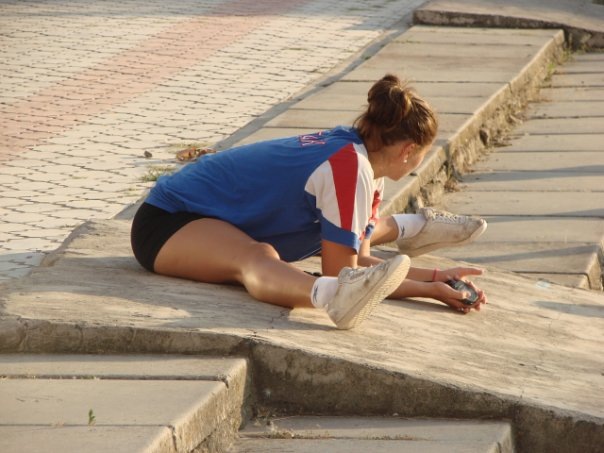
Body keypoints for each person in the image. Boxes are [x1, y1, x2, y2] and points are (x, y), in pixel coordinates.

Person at [131, 74, 487, 330]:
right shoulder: (348, 167)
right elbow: (345, 278)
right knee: (255, 258)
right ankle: (327, 297)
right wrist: (418, 289)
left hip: (211, 219)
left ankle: (413, 227)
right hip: (168, 221)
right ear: (409, 150)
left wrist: (436, 282)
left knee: (283, 254)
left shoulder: (365, 161)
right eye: (424, 153)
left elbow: (361, 264)